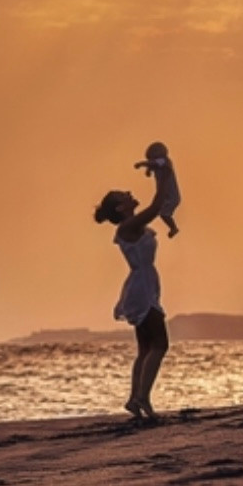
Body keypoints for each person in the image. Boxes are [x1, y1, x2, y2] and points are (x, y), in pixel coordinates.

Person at [94, 167, 173, 422]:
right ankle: (143, 398)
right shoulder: (129, 225)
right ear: (120, 209)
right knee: (160, 344)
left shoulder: (132, 224)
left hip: (143, 284)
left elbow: (155, 210)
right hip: (141, 287)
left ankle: (134, 398)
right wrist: (164, 174)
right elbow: (156, 206)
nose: (129, 193)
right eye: (123, 195)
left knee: (146, 348)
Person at [133, 140, 181, 236]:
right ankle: (142, 226)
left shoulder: (165, 161)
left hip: (171, 196)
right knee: (155, 211)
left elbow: (154, 164)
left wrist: (141, 164)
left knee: (163, 213)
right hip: (163, 195)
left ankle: (174, 228)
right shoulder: (158, 164)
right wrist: (148, 170)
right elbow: (152, 166)